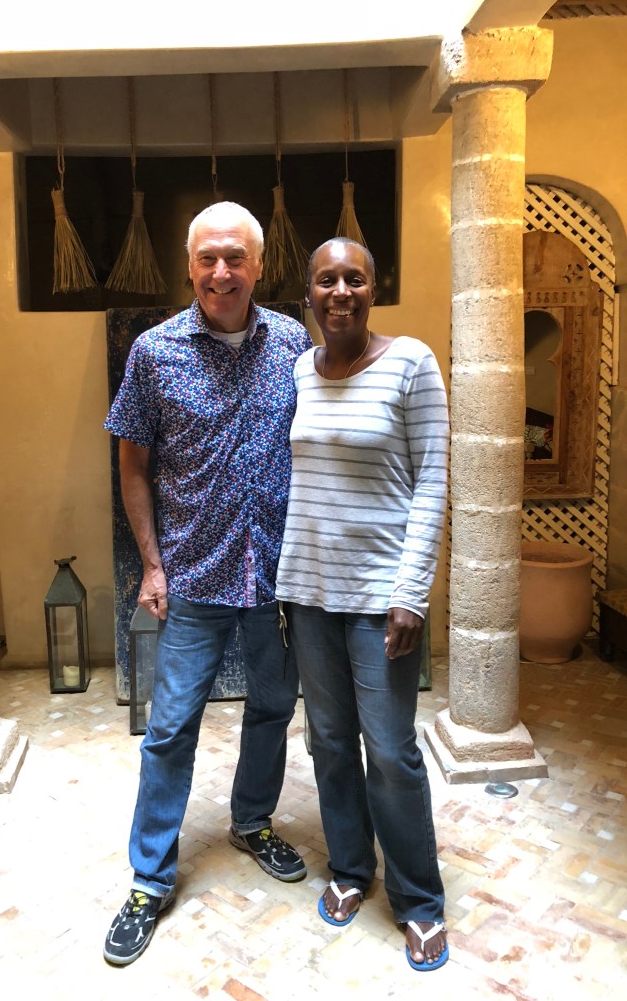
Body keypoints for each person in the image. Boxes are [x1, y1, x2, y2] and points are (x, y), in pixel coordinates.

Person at [102, 201, 313, 966]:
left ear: (259, 265)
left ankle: (252, 821)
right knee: (169, 730)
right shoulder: (154, 353)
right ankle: (149, 879)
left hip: (277, 577)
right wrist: (153, 565)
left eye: (235, 258)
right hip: (194, 574)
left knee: (272, 709)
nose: (221, 273)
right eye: (207, 259)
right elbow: (133, 463)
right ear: (189, 265)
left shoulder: (294, 342)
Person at [276, 237, 450, 971]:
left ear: (374, 288)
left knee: (390, 749)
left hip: (383, 597)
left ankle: (419, 900)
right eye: (326, 280)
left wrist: (412, 593)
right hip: (310, 590)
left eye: (354, 278)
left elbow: (432, 481)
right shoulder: (300, 370)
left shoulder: (411, 363)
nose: (340, 291)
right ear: (309, 295)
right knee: (327, 740)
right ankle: (350, 867)